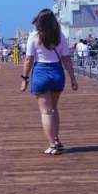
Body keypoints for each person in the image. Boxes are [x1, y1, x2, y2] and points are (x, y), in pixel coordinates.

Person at [21, 9, 77, 155]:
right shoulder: (61, 36)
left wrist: (25, 78)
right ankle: (57, 140)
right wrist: (72, 78)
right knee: (54, 108)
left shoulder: (33, 37)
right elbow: (66, 59)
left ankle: (52, 145)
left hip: (40, 72)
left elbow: (29, 59)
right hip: (57, 72)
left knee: (45, 112)